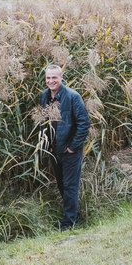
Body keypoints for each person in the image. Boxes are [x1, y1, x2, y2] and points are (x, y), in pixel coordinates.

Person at [40, 65, 90, 231]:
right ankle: (73, 214)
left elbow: (84, 123)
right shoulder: (44, 96)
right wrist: (45, 144)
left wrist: (72, 147)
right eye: (48, 78)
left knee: (70, 185)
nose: (51, 81)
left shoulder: (72, 96)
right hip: (54, 150)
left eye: (54, 78)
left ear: (61, 78)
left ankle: (69, 222)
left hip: (70, 150)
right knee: (62, 184)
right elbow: (43, 122)